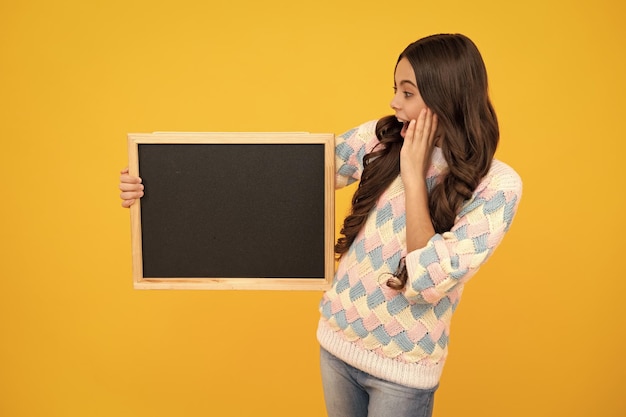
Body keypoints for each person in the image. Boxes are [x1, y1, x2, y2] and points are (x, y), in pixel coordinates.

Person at [119, 33, 522, 417]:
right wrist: (159, 184)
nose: (393, 102)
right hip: (337, 344)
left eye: (407, 92)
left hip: (403, 373)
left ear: (445, 98)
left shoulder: (497, 187)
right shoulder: (380, 139)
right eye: (395, 88)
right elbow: (282, 172)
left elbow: (428, 280)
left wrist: (414, 175)